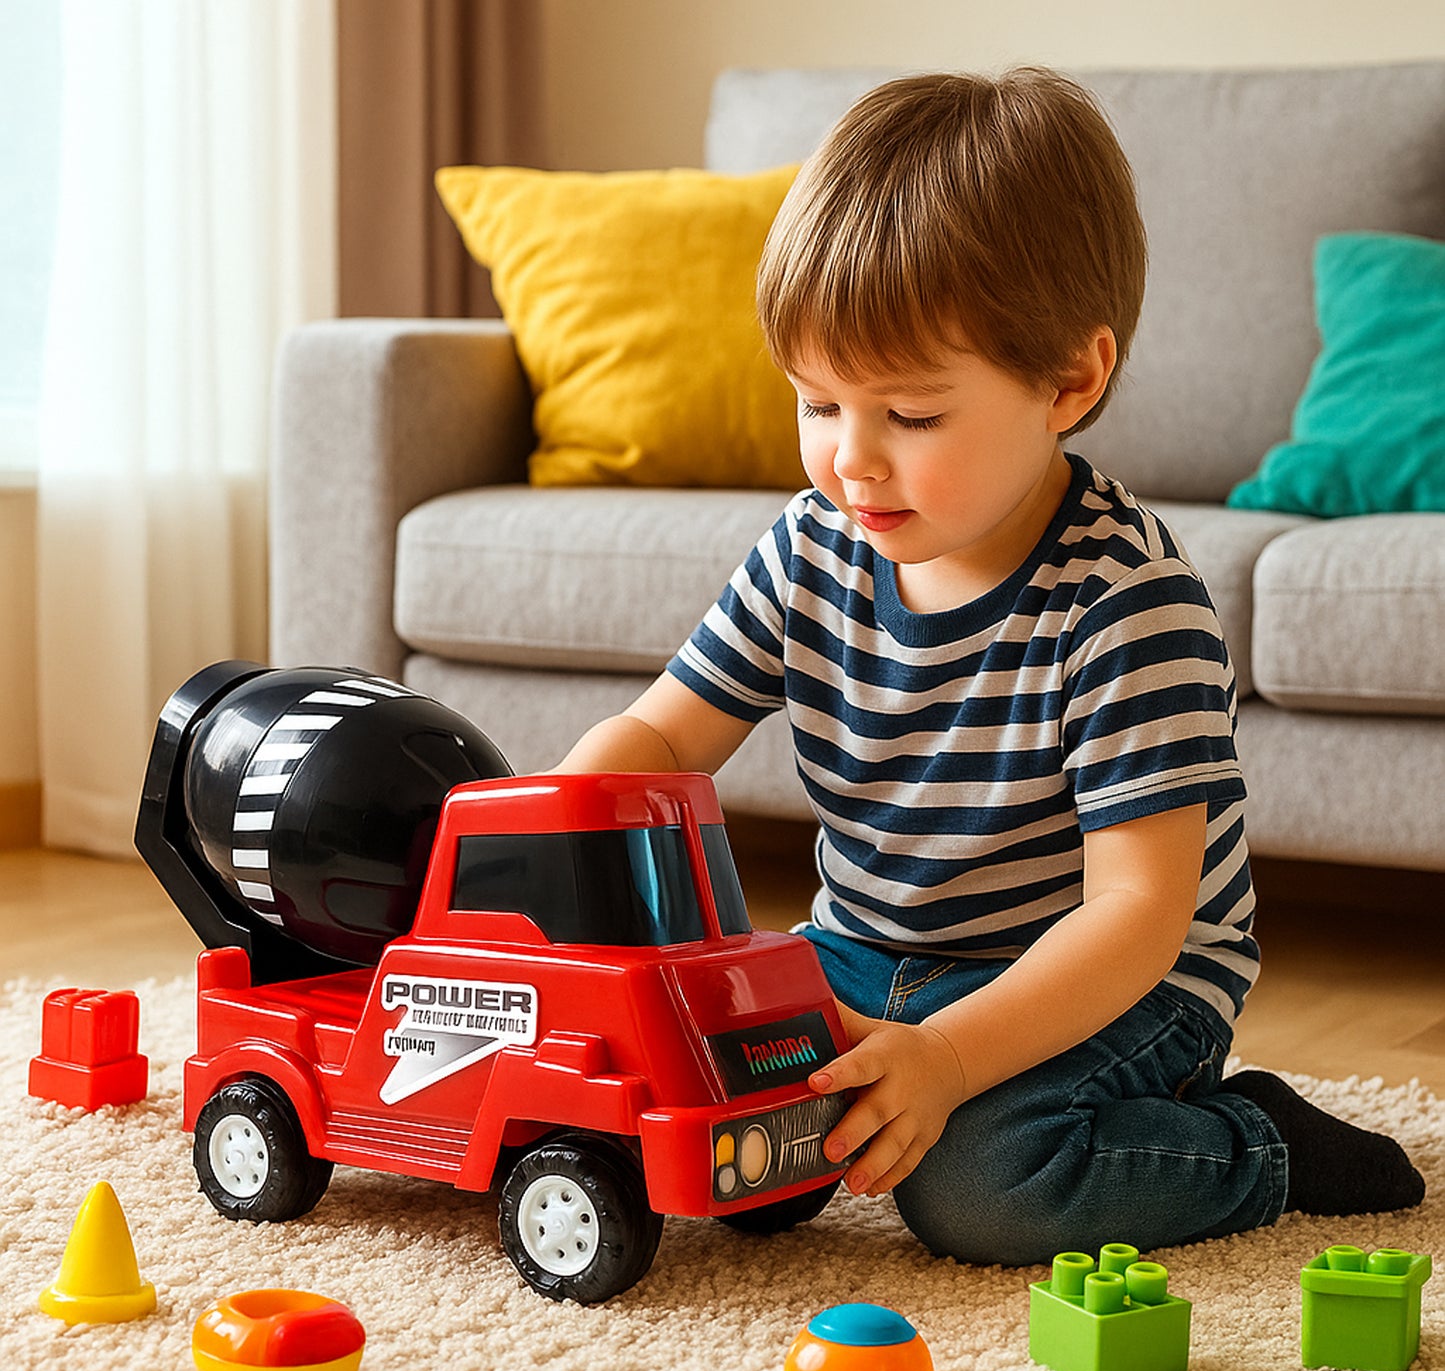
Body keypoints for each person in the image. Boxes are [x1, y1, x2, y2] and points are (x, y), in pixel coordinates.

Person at [558, 68, 1424, 1263]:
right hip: (866, 946)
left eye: (909, 417)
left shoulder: (1126, 603)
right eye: (817, 402)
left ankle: (1251, 1144)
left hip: (1110, 976)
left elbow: (1134, 914)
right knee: (701, 1086)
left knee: (975, 1187)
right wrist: (557, 832)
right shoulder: (810, 550)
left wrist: (951, 1054)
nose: (850, 460)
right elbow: (658, 742)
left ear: (1068, 381)